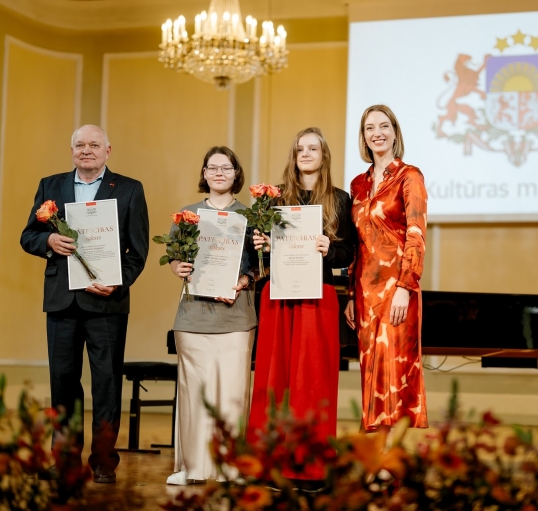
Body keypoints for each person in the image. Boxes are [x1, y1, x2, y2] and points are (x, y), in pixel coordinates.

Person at [20, 124, 149, 483]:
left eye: (94, 144)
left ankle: (104, 461)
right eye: (80, 145)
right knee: (63, 383)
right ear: (72, 150)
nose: (86, 150)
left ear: (108, 150)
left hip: (106, 302)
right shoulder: (51, 185)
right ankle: (65, 459)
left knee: (106, 383)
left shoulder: (129, 189)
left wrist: (117, 281)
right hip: (61, 300)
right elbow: (28, 235)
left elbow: (138, 251)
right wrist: (48, 242)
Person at [248, 127, 356, 483]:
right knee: (274, 379)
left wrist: (330, 249)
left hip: (318, 297)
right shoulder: (274, 199)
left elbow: (349, 252)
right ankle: (269, 464)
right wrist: (262, 245)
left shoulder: (340, 199)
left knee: (314, 381)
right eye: (300, 149)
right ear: (294, 157)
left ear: (324, 156)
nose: (306, 154)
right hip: (279, 296)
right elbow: (258, 255)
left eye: (313, 148)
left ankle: (310, 467)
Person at [166, 146, 258, 486]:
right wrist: (178, 266)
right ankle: (191, 467)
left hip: (235, 318)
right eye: (212, 167)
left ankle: (230, 468)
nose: (219, 173)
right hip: (193, 319)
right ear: (204, 174)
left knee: (232, 395)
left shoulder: (250, 216)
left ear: (236, 174)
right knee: (194, 395)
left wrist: (244, 280)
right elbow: (174, 257)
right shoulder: (187, 215)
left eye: (226, 167)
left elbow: (259, 266)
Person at [344, 104, 428, 432]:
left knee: (396, 374)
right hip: (365, 294)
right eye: (370, 128)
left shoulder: (410, 176)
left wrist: (406, 286)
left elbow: (416, 235)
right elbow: (356, 244)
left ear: (394, 133)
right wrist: (351, 294)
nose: (377, 133)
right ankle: (378, 454)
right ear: (363, 137)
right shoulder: (357, 184)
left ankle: (393, 456)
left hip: (397, 291)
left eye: (383, 126)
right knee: (372, 376)